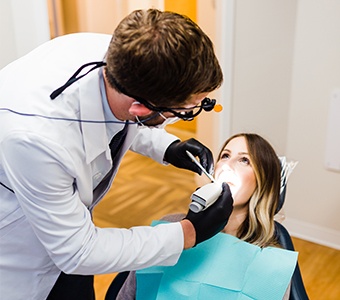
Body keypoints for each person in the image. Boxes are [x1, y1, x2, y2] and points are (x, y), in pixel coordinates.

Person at [0, 9, 234, 300]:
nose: (186, 116)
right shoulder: (37, 138)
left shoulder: (124, 56)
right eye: (185, 111)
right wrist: (187, 233)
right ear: (142, 108)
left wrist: (167, 146)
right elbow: (78, 251)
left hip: (69, 234)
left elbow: (116, 117)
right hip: (22, 252)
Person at [116, 133, 293, 300]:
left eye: (244, 160)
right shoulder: (171, 226)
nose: (227, 166)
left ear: (263, 182)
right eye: (225, 156)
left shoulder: (271, 264)